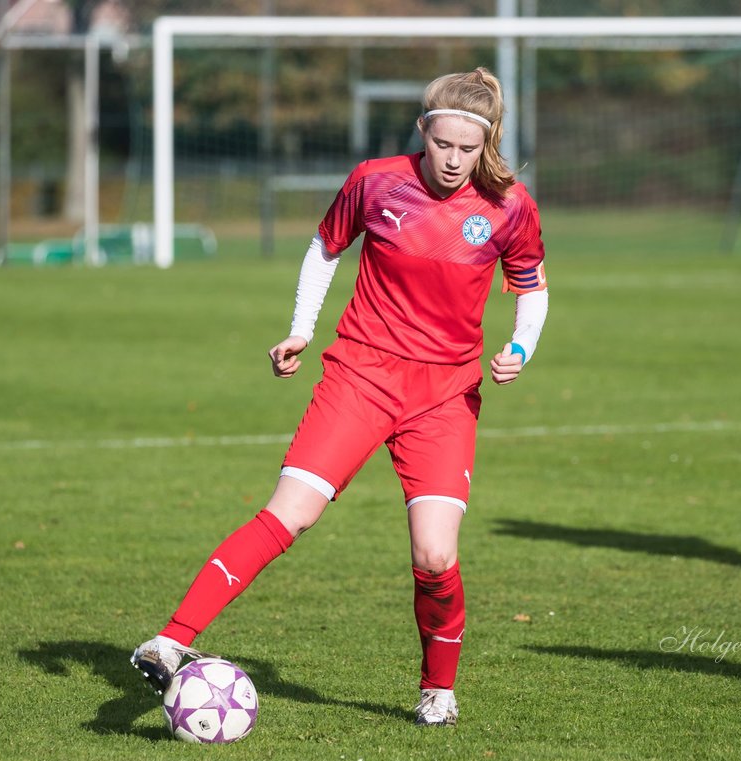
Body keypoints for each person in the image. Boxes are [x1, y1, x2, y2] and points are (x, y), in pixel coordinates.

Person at [130, 68, 549, 727]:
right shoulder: (375, 180)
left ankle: (438, 690)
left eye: (468, 150)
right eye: (443, 145)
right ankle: (170, 640)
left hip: (444, 394)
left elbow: (533, 287)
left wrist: (519, 349)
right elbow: (324, 250)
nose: (453, 160)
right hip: (361, 373)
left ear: (487, 143)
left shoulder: (509, 205)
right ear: (423, 131)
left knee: (435, 554)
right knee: (288, 514)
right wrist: (301, 330)